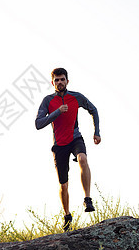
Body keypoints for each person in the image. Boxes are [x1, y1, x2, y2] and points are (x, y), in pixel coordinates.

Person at [35, 68, 101, 232]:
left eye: (62, 79)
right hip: (59, 145)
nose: (60, 82)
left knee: (83, 159)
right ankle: (67, 215)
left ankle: (87, 198)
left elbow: (94, 110)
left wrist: (97, 132)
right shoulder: (47, 101)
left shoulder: (76, 97)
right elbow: (38, 124)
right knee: (63, 185)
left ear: (67, 81)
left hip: (75, 138)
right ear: (52, 83)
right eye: (56, 80)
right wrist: (57, 112)